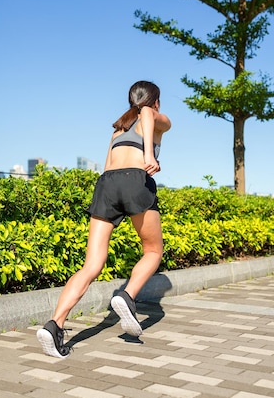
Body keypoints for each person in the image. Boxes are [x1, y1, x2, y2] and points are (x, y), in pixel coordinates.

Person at [36, 80, 172, 358]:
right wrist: (148, 155)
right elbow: (146, 113)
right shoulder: (159, 118)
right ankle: (127, 295)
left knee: (91, 264)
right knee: (153, 250)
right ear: (155, 102)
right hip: (135, 179)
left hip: (106, 185)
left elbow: (110, 164)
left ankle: (54, 325)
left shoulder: (119, 129)